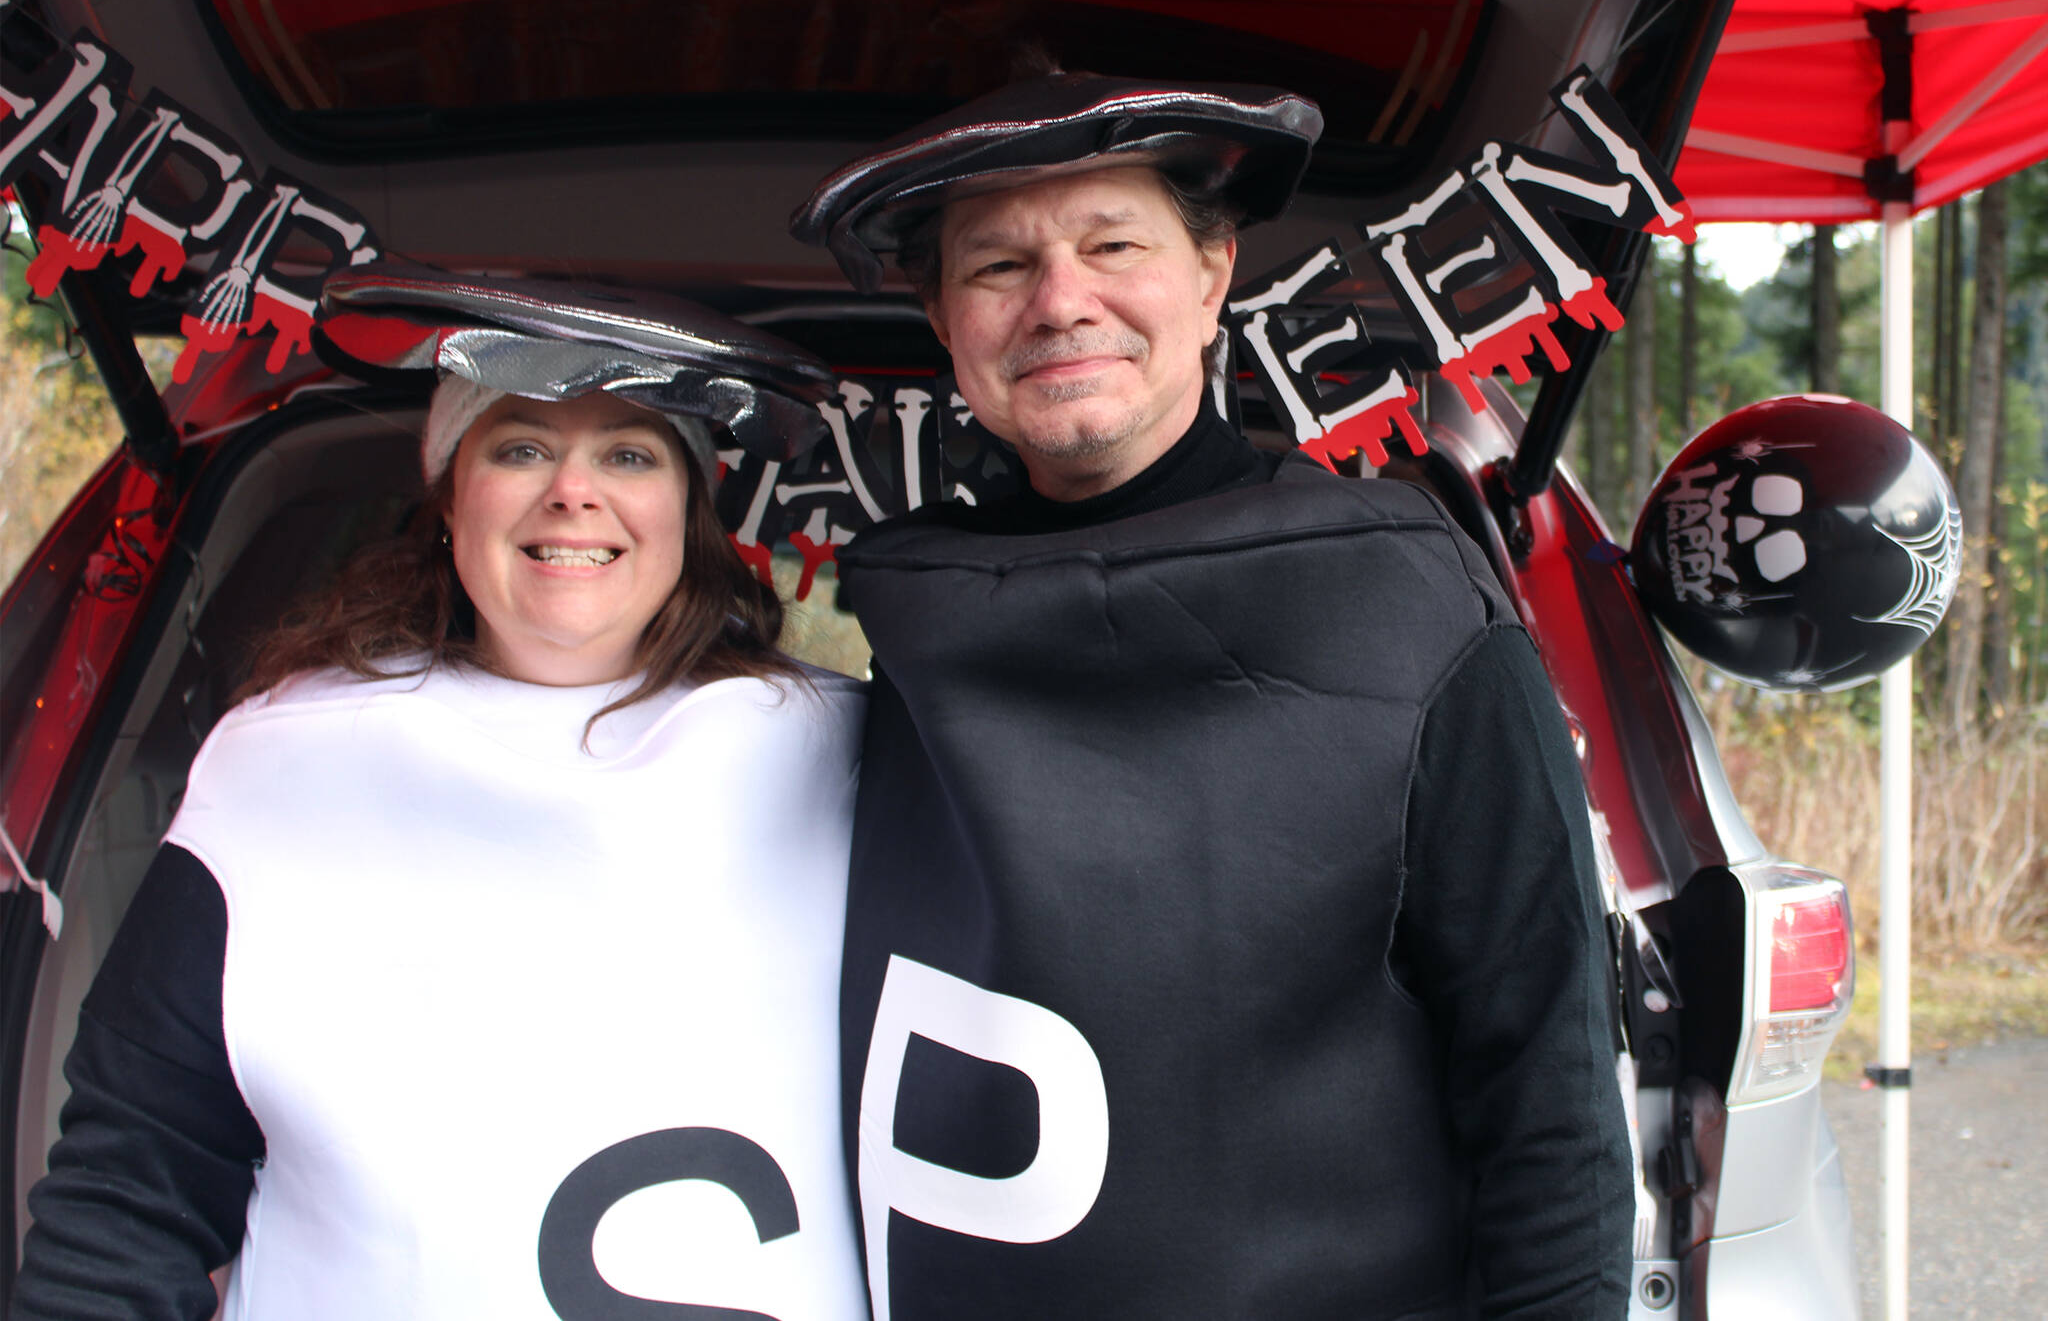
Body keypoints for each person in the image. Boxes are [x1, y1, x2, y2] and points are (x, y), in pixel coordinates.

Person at [789, 72, 1634, 1319]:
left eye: (1112, 246)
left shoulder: (1407, 606)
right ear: (943, 319)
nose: (1059, 301)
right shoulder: (910, 633)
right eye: (998, 266)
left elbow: (1547, 1097)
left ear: (1212, 273)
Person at [11, 277, 871, 1320]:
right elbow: (130, 1194)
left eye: (630, 454)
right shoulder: (283, 770)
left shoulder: (844, 757)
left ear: (690, 514)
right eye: (521, 446)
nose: (573, 490)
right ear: (451, 500)